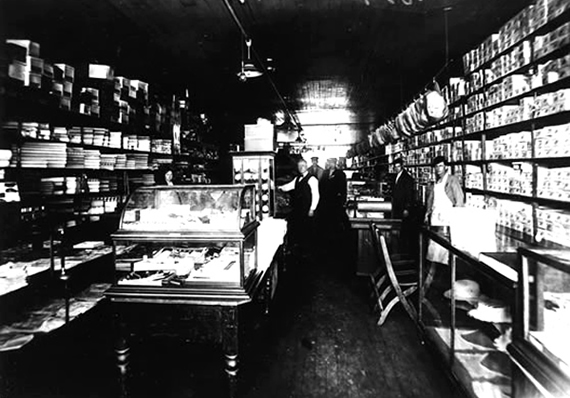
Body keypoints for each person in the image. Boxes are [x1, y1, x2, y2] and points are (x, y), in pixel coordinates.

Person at [424, 155, 464, 264]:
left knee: (445, 249)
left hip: (447, 218)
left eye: (441, 166)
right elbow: (431, 200)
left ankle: (444, 272)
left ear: (446, 167)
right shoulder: (435, 182)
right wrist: (427, 214)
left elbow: (459, 200)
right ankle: (434, 270)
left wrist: (456, 218)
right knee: (434, 247)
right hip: (435, 217)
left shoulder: (452, 180)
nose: (438, 169)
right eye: (436, 167)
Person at [278, 158, 320, 257]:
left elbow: (316, 195)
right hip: (298, 208)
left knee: (308, 229)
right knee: (300, 229)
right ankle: (300, 251)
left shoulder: (312, 179)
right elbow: (288, 186)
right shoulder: (297, 179)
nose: (301, 168)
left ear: (307, 167)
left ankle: (308, 252)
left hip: (307, 208)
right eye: (299, 166)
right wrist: (278, 187)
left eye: (303, 166)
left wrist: (312, 209)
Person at [318, 157, 349, 239]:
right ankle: (326, 234)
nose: (331, 164)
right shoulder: (325, 173)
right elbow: (320, 185)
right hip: (325, 199)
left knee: (334, 218)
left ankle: (334, 235)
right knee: (325, 218)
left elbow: (343, 188)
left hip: (335, 200)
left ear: (336, 164)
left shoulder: (340, 174)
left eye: (333, 162)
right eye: (330, 162)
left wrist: (343, 200)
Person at [390, 157, 416, 254]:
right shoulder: (396, 176)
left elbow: (409, 195)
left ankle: (403, 252)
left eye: (398, 166)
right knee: (398, 228)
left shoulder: (407, 178)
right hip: (397, 206)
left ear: (402, 166)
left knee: (403, 230)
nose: (396, 168)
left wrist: (407, 208)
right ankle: (398, 251)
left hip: (402, 207)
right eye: (395, 167)